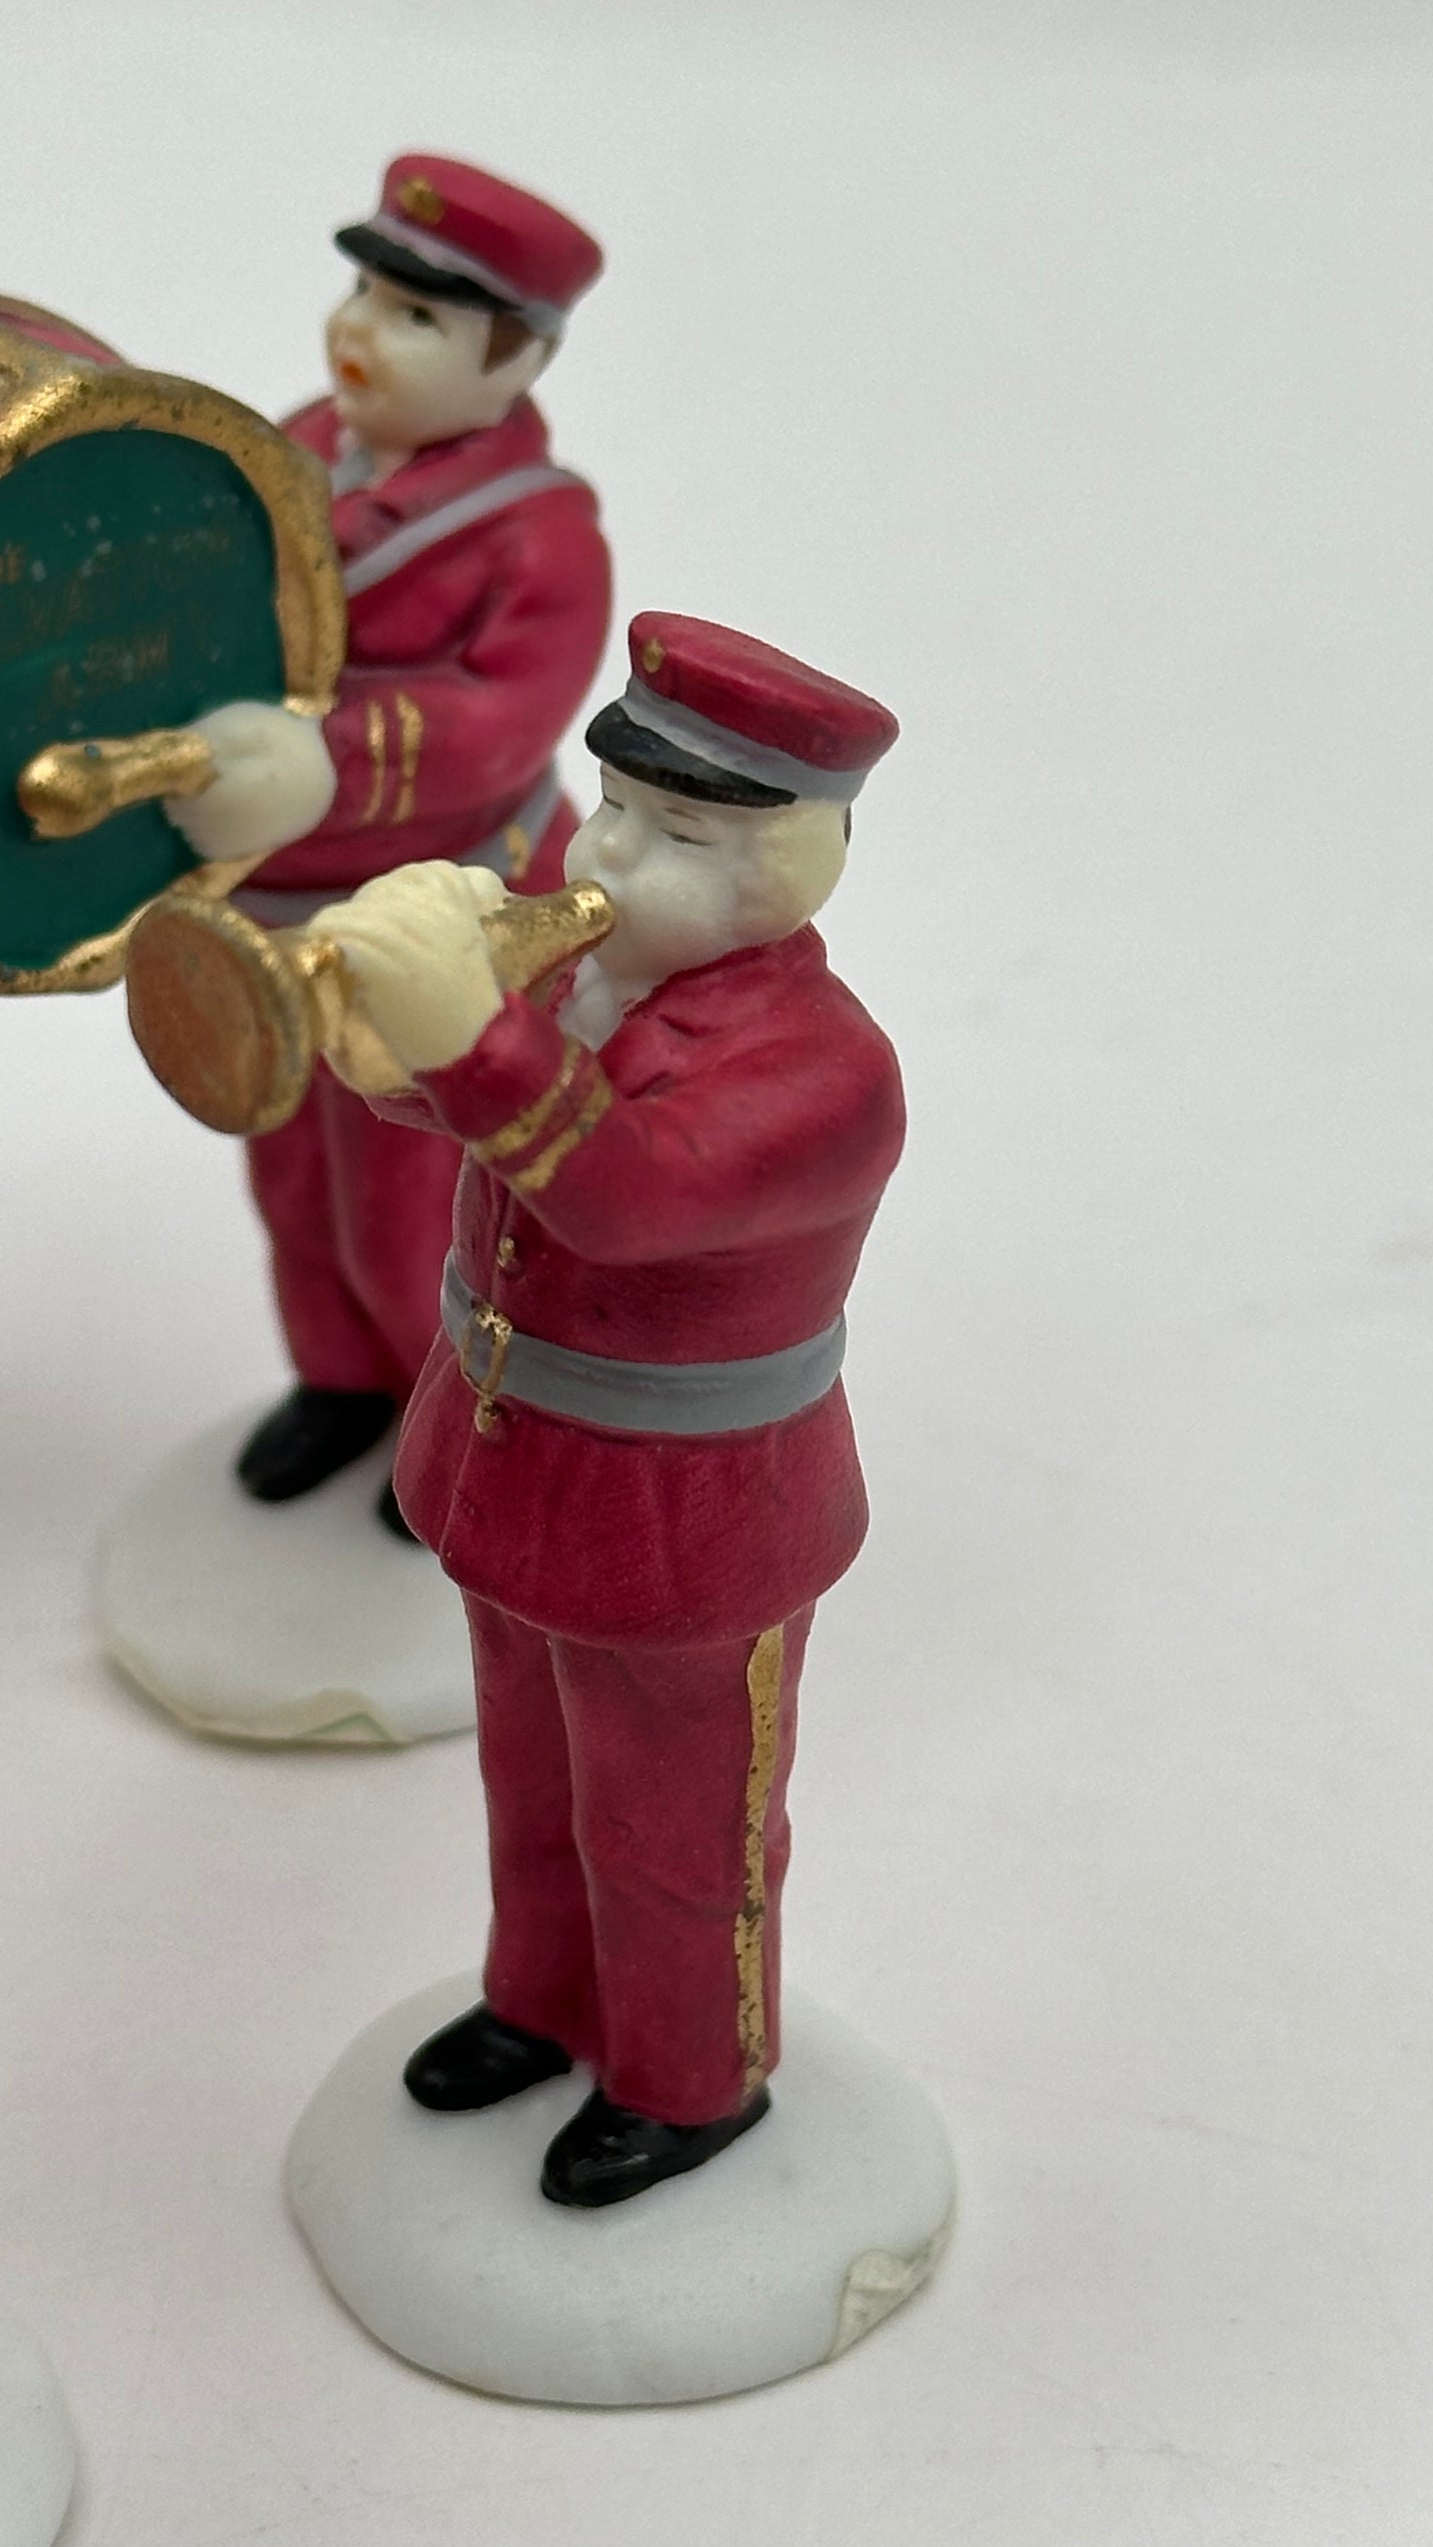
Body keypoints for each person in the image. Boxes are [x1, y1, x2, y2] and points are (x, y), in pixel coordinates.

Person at [308, 613, 905, 2203]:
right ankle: (539, 1999)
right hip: (505, 1463)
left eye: (682, 837)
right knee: (531, 1780)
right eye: (619, 809)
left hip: (691, 1514)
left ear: (796, 866)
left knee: (677, 1828)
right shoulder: (575, 974)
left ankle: (691, 2077)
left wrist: (470, 1029)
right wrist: (374, 999)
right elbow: (419, 1093)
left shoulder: (827, 1070)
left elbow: (625, 1194)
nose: (617, 857)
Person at [163, 154, 612, 1525]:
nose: (360, 332)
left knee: (410, 1199)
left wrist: (324, 760)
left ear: (514, 358)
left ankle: (445, 1411)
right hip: (270, 904)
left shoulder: (542, 537)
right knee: (292, 1175)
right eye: (363, 295)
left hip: (429, 917)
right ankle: (337, 1376)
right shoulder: (299, 445)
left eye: (416, 317)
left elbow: (496, 722)